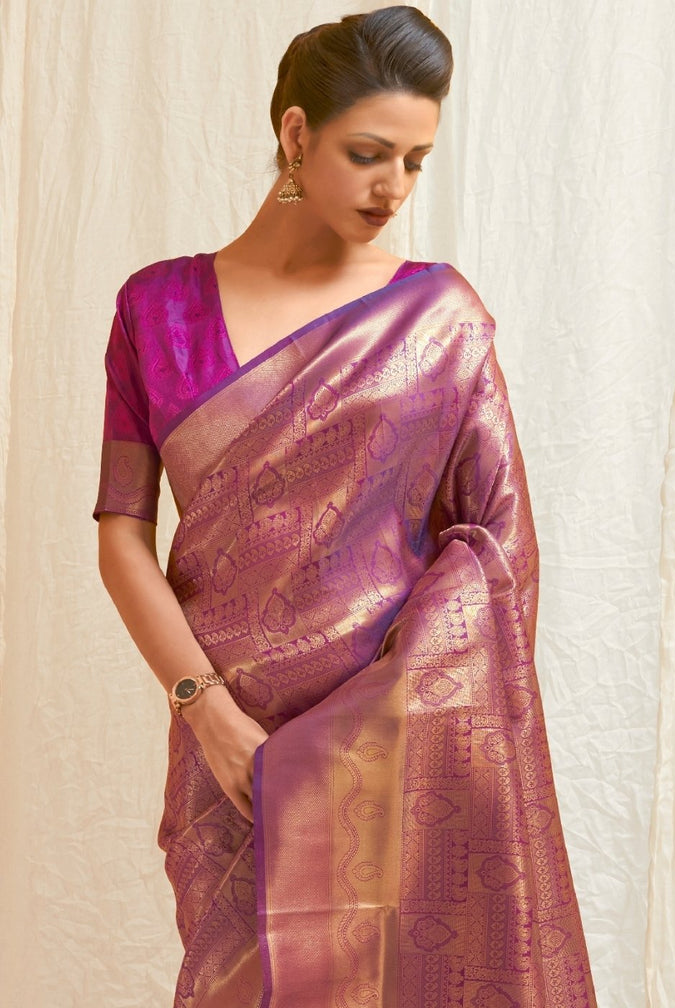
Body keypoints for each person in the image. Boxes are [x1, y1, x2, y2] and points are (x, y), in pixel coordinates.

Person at [95, 7, 596, 1007]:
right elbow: (121, 535)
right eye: (369, 154)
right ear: (296, 135)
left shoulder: (439, 318)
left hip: (393, 743)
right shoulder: (157, 310)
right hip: (226, 745)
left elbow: (500, 548)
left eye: (415, 161)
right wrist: (207, 712)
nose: (394, 188)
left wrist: (403, 711)